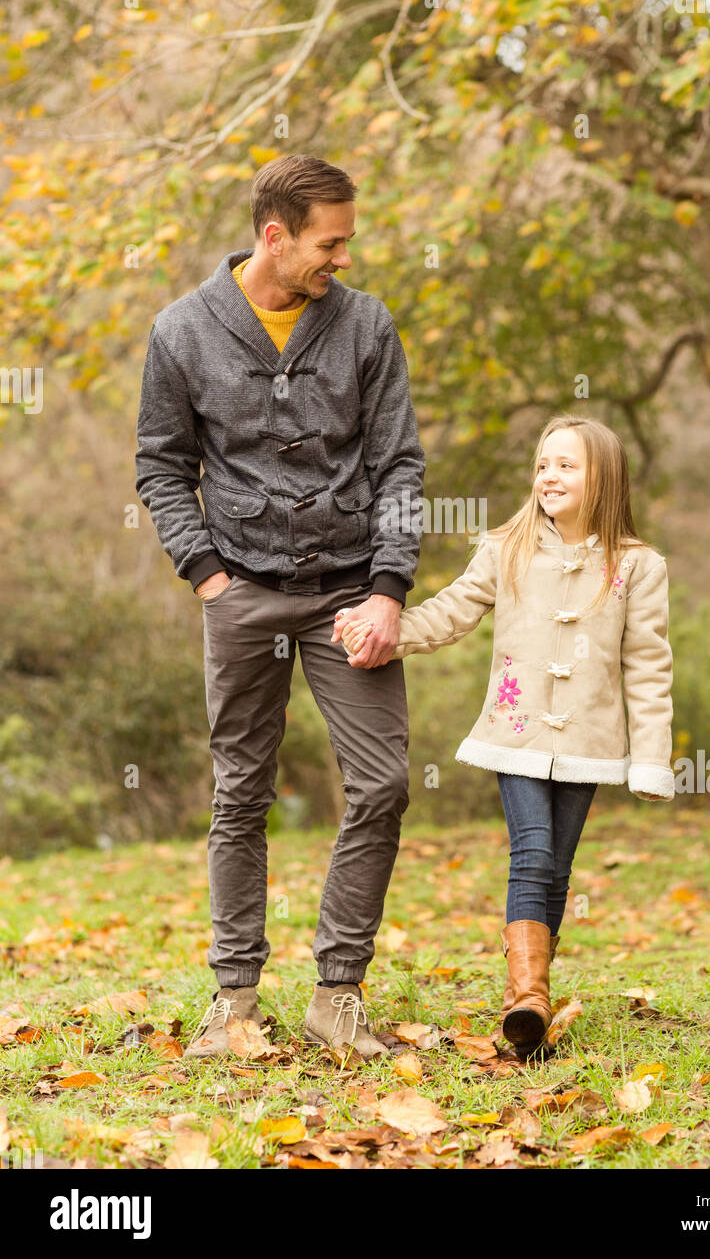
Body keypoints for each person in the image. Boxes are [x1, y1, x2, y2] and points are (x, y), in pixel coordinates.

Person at [135, 154, 425, 1060]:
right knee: (240, 795)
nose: (341, 257)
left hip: (350, 596)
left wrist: (387, 590)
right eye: (327, 243)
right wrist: (208, 577)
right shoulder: (181, 331)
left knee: (382, 783)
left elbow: (401, 467)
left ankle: (337, 994)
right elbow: (159, 465)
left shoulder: (366, 325)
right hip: (243, 593)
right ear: (275, 235)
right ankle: (234, 1004)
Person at [336, 414, 674, 1058]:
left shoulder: (637, 568)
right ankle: (525, 1000)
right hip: (514, 733)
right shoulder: (507, 548)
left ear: (603, 477)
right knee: (534, 852)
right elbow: (453, 611)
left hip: (589, 742)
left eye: (566, 465)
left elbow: (649, 665)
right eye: (543, 465)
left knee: (558, 870)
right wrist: (386, 632)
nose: (549, 476)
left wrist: (652, 760)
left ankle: (534, 1003)